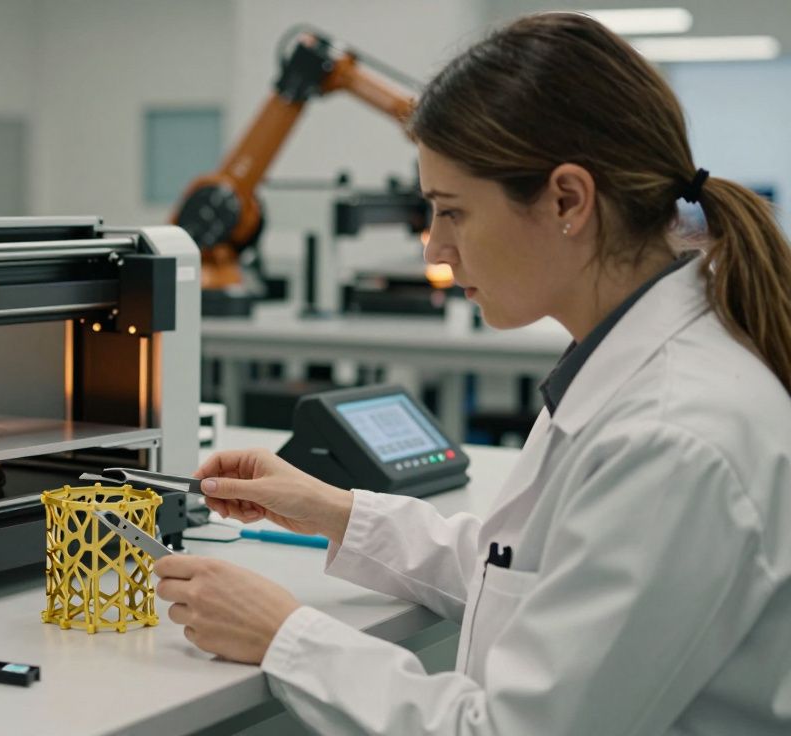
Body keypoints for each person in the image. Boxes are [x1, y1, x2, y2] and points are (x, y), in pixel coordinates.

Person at [154, 11, 791, 735]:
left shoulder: (673, 438)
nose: (437, 247)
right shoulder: (629, 359)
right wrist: (334, 509)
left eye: (452, 211)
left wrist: (283, 634)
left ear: (567, 201)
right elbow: (523, 572)